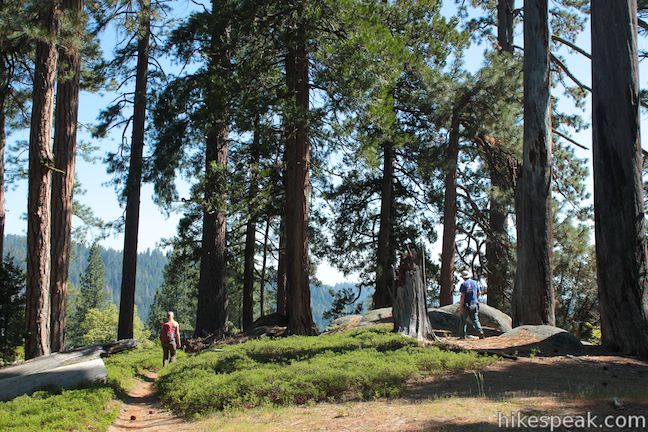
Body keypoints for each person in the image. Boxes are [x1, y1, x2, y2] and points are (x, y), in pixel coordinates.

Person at [458, 270, 485, 339]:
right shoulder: (475, 283)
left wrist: (461, 306)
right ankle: (480, 332)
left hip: (466, 305)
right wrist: (475, 300)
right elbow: (478, 293)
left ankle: (462, 335)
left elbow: (462, 296)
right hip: (474, 304)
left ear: (463, 277)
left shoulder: (463, 284)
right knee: (475, 319)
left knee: (463, 320)